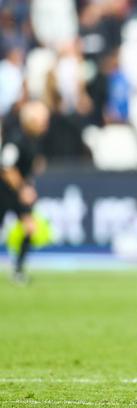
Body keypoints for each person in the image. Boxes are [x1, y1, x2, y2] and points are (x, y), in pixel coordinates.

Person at [0, 100, 50, 284]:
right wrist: (23, 188)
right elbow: (6, 168)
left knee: (30, 227)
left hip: (17, 192)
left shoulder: (33, 140)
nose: (45, 124)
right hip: (5, 192)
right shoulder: (16, 138)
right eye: (42, 120)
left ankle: (18, 271)